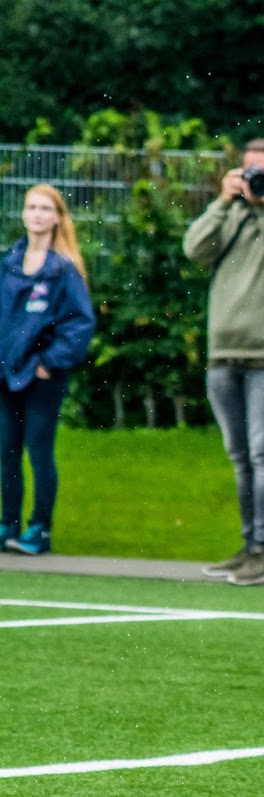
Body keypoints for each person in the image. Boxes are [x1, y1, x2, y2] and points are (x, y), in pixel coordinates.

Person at [184, 138, 264, 586]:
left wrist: (263, 211)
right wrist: (223, 203)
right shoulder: (231, 212)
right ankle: (248, 547)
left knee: (263, 450)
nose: (259, 177)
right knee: (240, 455)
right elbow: (194, 249)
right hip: (224, 350)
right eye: (250, 170)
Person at [0, 185, 94, 556]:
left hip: (41, 377)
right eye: (31, 207)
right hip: (6, 375)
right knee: (6, 451)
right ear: (23, 214)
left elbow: (79, 324)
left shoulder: (63, 271)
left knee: (38, 450)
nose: (37, 214)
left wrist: (48, 363)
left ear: (56, 217)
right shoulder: (9, 264)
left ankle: (40, 528)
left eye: (44, 208)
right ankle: (8, 523)